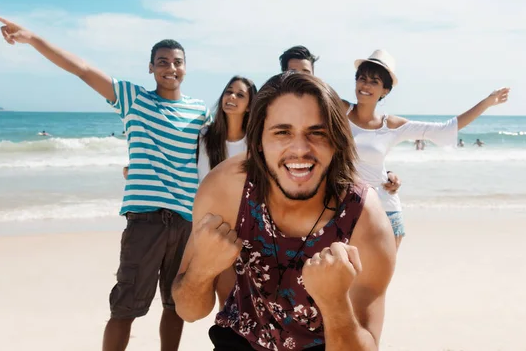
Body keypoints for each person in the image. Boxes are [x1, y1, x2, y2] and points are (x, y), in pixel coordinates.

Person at [0, 15, 210, 351]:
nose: (171, 67)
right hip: (146, 221)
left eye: (178, 62)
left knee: (176, 306)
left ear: (187, 68)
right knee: (125, 307)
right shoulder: (133, 98)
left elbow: (211, 159)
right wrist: (33, 38)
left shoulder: (200, 112)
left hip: (186, 222)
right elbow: (81, 68)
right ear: (150, 68)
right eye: (163, 62)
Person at [172, 72, 396, 350]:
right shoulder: (225, 188)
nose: (300, 149)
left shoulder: (364, 218)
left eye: (317, 132)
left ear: (336, 142)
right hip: (240, 339)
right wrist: (202, 270)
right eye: (282, 132)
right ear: (257, 143)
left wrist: (335, 303)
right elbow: (188, 311)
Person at [344, 49, 509, 248]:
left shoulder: (392, 126)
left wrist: (487, 102)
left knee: (375, 280)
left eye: (374, 82)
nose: (366, 85)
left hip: (385, 212)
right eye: (362, 78)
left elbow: (444, 130)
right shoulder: (339, 111)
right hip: (347, 211)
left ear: (385, 90)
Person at [279, 45, 402, 196]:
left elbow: (357, 149)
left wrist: (384, 173)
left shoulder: (327, 106)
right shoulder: (272, 109)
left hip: (322, 196)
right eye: (292, 72)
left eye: (305, 72)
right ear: (283, 75)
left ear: (313, 76)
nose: (299, 78)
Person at [198, 76, 257, 182]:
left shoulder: (253, 143)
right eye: (229, 92)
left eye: (240, 95)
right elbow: (204, 179)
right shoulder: (205, 135)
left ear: (249, 106)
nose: (232, 96)